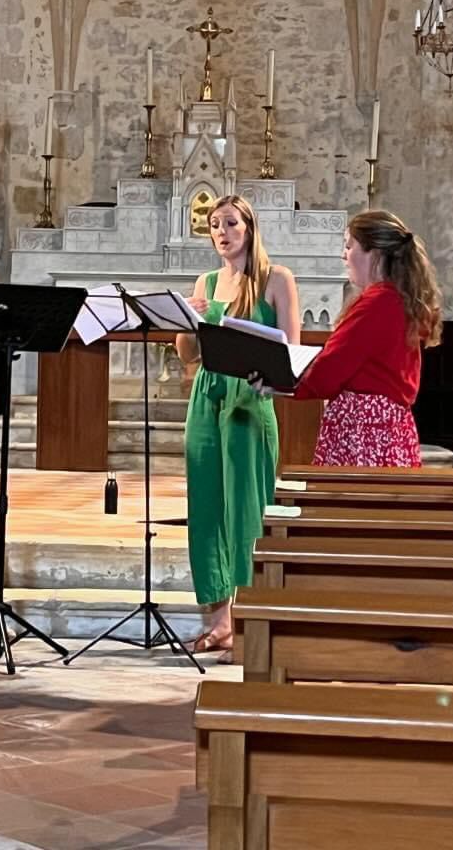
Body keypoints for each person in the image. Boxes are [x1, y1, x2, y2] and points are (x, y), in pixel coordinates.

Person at [175, 194, 300, 658]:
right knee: (207, 508)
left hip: (250, 398)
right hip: (207, 395)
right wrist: (188, 321)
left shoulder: (276, 279)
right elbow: (187, 354)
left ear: (249, 227)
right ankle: (219, 623)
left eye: (230, 223)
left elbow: (291, 354)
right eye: (214, 225)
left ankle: (252, 624)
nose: (221, 233)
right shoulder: (206, 282)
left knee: (246, 510)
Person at [289, 210, 442, 467]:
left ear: (374, 252)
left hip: (364, 429)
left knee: (352, 494)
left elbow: (329, 372)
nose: (344, 255)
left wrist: (280, 382)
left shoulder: (378, 303)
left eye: (349, 246)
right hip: (386, 426)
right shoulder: (398, 299)